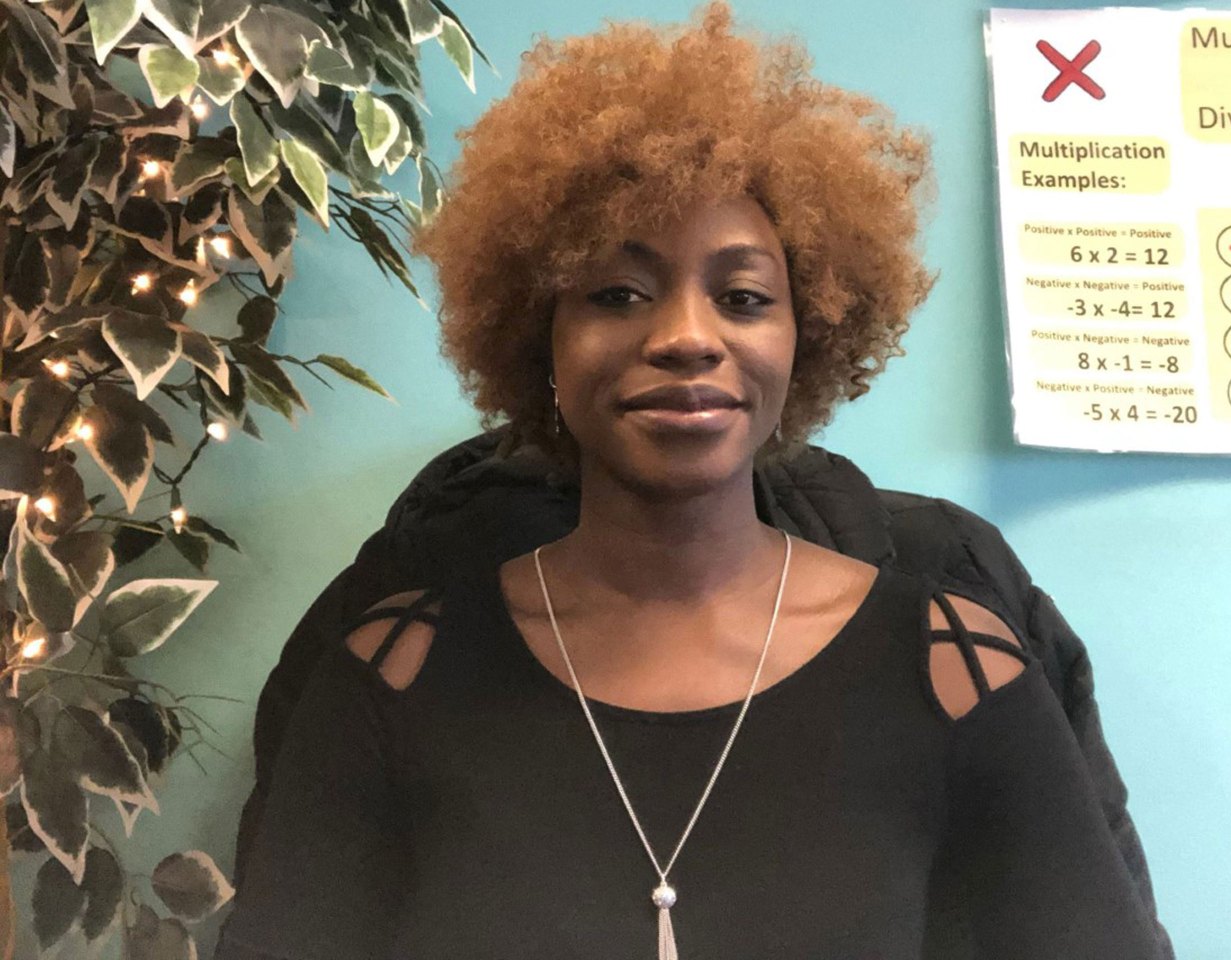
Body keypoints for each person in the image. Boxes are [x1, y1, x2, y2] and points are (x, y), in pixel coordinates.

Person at [214, 4, 1169, 958]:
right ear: (539, 339)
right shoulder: (393, 672)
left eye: (743, 297)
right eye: (617, 294)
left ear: (809, 339)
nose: (684, 337)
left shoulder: (959, 669)